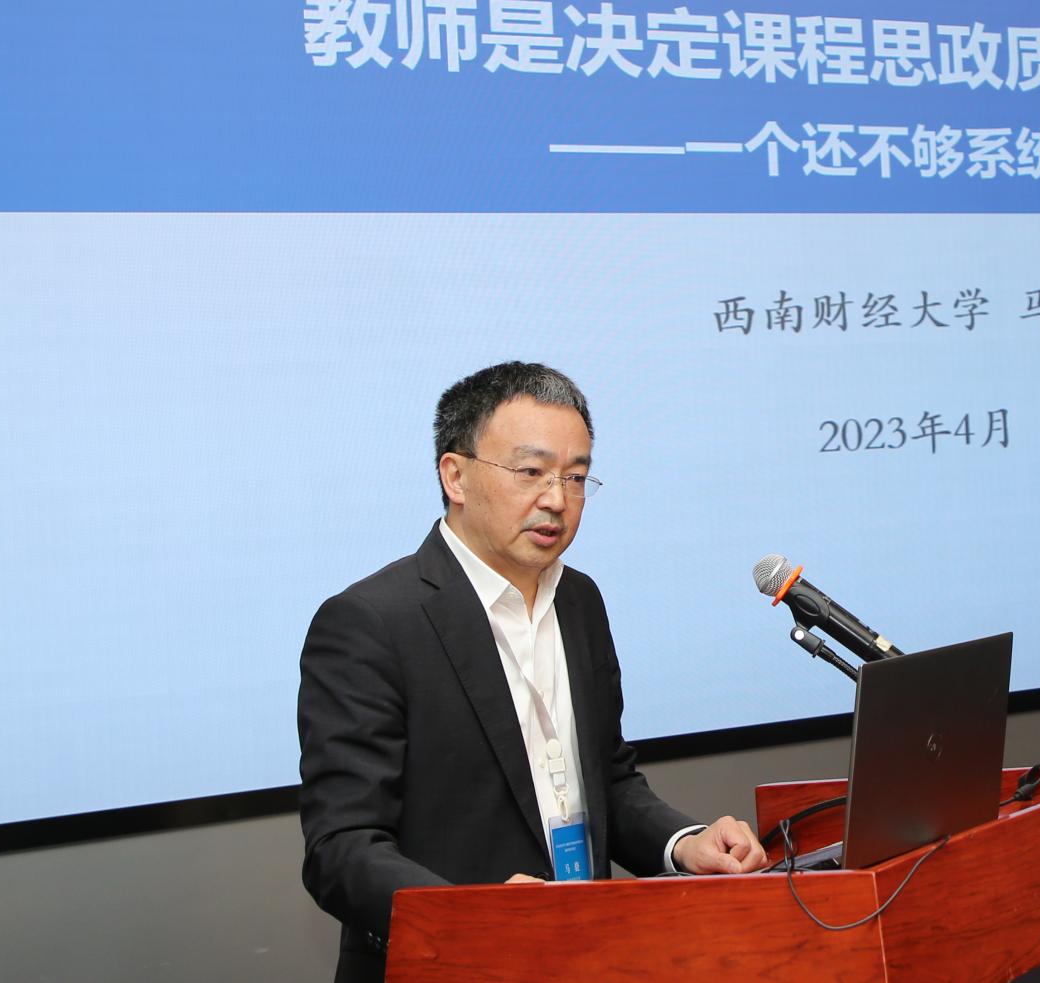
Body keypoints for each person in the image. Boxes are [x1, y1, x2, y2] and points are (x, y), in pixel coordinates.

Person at [298, 361, 766, 982]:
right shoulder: (371, 622)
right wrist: (474, 918)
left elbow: (608, 781)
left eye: (576, 477)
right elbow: (341, 847)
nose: (556, 499)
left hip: (587, 952)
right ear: (455, 476)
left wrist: (683, 845)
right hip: (449, 967)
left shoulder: (579, 600)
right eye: (531, 472)